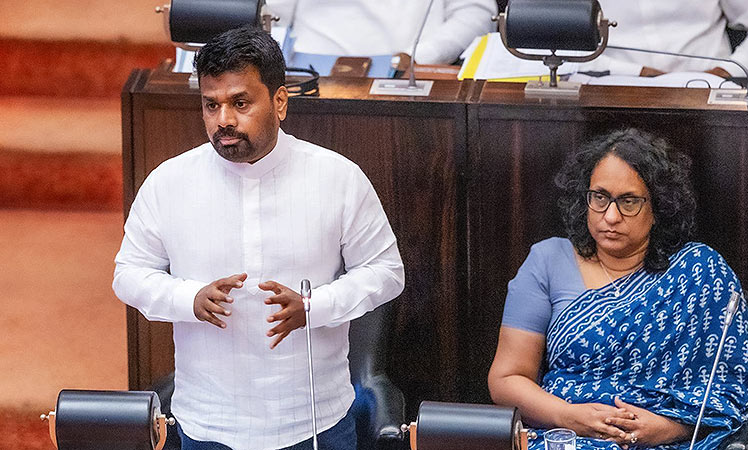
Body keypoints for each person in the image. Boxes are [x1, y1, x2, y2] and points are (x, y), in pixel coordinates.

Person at [113, 26, 405, 450]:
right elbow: (128, 274)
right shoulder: (168, 183)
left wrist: (314, 306)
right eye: (211, 105)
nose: (224, 120)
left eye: (240, 102)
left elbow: (386, 271)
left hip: (313, 419)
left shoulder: (337, 178)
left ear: (280, 102)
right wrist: (189, 299)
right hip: (208, 421)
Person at [487, 129, 748, 450]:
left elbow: (733, 388)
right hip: (568, 437)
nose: (610, 216)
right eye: (600, 197)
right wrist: (569, 416)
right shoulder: (547, 260)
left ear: (658, 207)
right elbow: (507, 380)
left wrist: (668, 428)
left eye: (629, 201)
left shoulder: (699, 271)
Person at [578, 0, 748, 78]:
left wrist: (729, 72)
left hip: (709, 99)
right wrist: (634, 74)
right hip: (608, 96)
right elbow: (551, 41)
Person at [267, 0, 498, 64]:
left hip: (408, 84)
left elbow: (476, 14)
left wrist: (421, 57)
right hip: (307, 81)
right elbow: (268, 12)